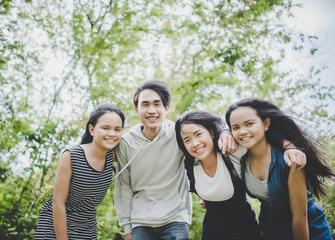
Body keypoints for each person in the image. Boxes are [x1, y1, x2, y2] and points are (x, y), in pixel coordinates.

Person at [114, 80, 236, 240]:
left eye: (157, 104)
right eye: (145, 105)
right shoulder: (126, 143)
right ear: (136, 109)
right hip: (140, 222)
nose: (151, 110)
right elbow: (124, 186)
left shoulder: (178, 134)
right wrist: (127, 227)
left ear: (166, 108)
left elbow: (205, 142)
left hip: (175, 219)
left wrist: (226, 132)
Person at [226, 98, 334, 240]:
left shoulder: (289, 160)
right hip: (271, 230)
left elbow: (300, 216)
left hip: (309, 230)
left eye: (249, 124)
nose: (242, 132)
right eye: (236, 128)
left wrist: (289, 146)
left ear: (265, 123)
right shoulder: (241, 159)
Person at [34, 104, 125, 240]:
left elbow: (141, 136)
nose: (112, 134)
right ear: (92, 129)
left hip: (86, 229)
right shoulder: (72, 156)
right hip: (55, 227)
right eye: (105, 128)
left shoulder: (114, 155)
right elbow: (58, 203)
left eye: (117, 129)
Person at [175, 110, 262, 240]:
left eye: (198, 134)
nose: (195, 143)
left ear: (211, 132)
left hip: (245, 230)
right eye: (187, 140)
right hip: (212, 232)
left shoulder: (231, 152)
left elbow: (264, 138)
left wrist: (290, 148)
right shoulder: (190, 164)